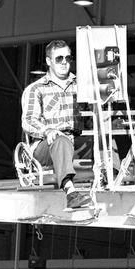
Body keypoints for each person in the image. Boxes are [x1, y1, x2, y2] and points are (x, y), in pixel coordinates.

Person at [20, 39, 91, 208]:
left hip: (75, 141)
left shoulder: (82, 87)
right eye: (59, 58)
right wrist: (47, 131)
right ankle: (70, 192)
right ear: (49, 61)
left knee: (106, 141)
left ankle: (117, 178)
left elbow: (89, 118)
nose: (65, 62)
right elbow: (29, 120)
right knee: (61, 140)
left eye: (68, 58)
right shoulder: (36, 89)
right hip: (46, 146)